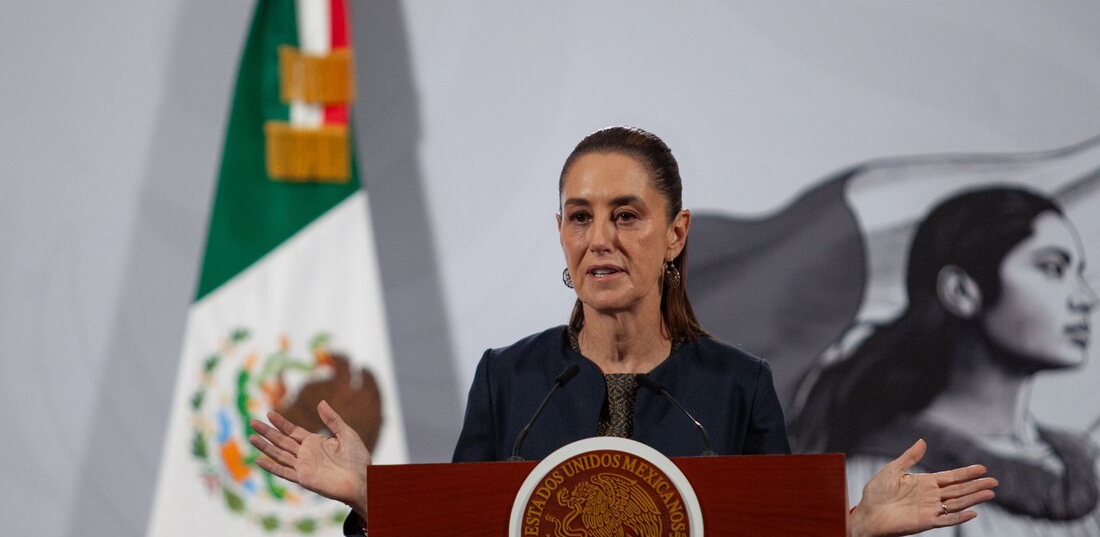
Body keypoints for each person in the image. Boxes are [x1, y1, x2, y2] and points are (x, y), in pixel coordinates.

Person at [250, 126, 998, 536]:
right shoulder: (507, 378)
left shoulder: (739, 385)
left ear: (675, 235)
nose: (599, 238)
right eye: (580, 217)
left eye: (626, 215)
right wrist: (369, 497)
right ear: (561, 233)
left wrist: (856, 526)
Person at [792, 187, 1098, 535]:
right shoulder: (887, 484)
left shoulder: (1084, 465)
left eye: (1079, 274)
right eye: (1053, 268)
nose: (1086, 299)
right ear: (961, 291)